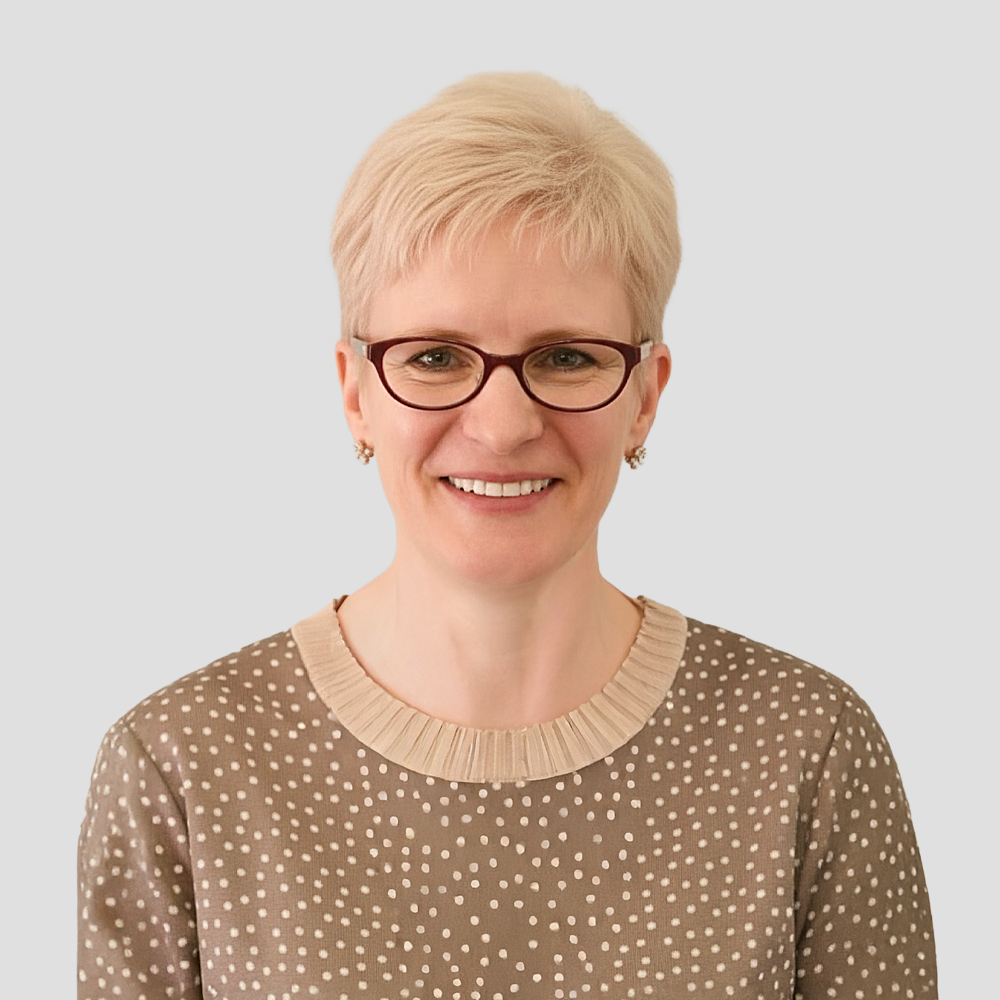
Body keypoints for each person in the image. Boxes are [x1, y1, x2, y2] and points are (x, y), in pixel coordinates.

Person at [78, 72, 936, 999]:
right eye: (435, 357)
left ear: (646, 396)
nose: (501, 425)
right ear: (355, 393)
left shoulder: (806, 748)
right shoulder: (182, 764)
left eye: (565, 357)